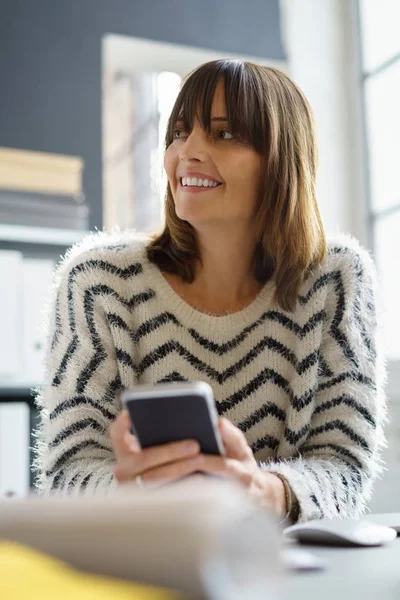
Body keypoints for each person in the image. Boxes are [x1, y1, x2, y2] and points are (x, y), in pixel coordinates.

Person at [34, 59, 387, 523]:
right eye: (179, 132)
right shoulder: (97, 282)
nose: (187, 152)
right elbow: (66, 473)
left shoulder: (338, 279)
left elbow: (345, 469)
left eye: (223, 134)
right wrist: (138, 490)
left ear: (281, 160)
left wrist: (267, 492)